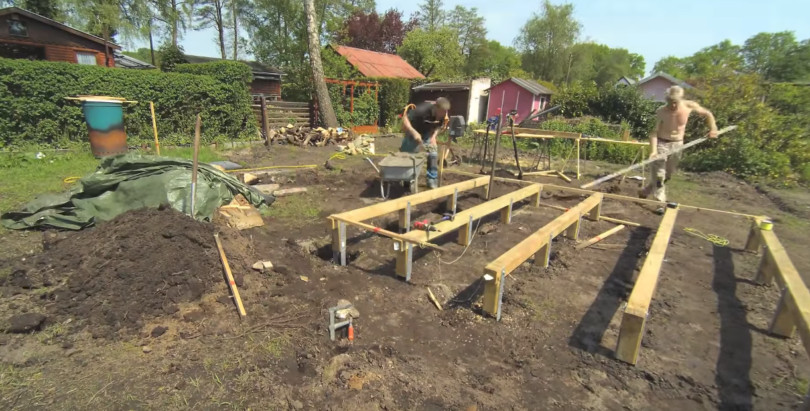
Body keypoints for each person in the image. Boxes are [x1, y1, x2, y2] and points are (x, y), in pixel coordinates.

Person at [640, 86, 718, 213]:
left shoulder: (689, 106)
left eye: (676, 102)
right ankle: (660, 203)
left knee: (667, 175)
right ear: (666, 100)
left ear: (681, 99)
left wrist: (713, 129)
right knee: (659, 174)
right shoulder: (661, 111)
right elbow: (653, 133)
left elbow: (708, 114)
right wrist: (653, 151)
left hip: (677, 144)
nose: (673, 105)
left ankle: (646, 190)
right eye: (670, 103)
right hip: (662, 144)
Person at [400, 97, 450, 189]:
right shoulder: (422, 110)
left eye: (445, 112)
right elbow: (405, 118)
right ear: (436, 107)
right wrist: (414, 132)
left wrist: (433, 136)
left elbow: (440, 126)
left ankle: (431, 180)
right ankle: (407, 180)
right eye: (442, 112)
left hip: (427, 134)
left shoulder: (443, 114)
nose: (443, 114)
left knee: (433, 154)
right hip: (412, 133)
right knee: (409, 156)